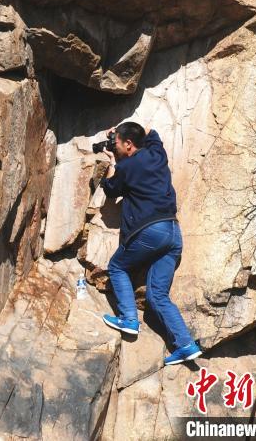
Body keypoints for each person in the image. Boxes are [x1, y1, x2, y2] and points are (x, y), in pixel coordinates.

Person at [98, 121, 201, 365]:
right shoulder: (157, 154)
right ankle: (185, 344)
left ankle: (129, 319)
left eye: (116, 143)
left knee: (117, 267)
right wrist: (119, 131)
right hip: (173, 233)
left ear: (129, 144)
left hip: (150, 231)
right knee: (157, 296)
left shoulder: (126, 166)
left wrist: (112, 163)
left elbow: (111, 190)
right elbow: (150, 131)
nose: (114, 146)